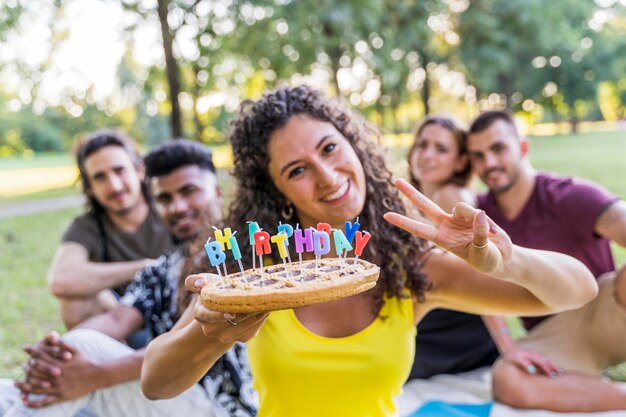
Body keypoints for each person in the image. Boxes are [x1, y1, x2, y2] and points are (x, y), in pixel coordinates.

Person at [140, 86, 597, 417]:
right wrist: (213, 332)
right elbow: (157, 383)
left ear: (355, 147)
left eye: (330, 148)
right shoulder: (257, 274)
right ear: (276, 190)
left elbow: (578, 290)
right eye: (298, 169)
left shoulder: (408, 270)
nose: (327, 175)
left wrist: (508, 258)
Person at [0, 140, 257, 417]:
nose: (177, 207)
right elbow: (116, 319)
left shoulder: (241, 252)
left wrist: (95, 372)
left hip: (218, 403)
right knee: (7, 392)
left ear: (217, 191)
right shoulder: (165, 265)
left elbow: (180, 344)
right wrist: (56, 354)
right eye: (164, 199)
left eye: (189, 191)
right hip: (161, 395)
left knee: (83, 348)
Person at [466, 110, 626, 412]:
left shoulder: (568, 195)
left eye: (498, 149)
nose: (488, 163)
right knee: (508, 379)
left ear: (523, 148)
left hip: (606, 309)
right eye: (478, 156)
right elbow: (476, 283)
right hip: (554, 333)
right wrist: (508, 346)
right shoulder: (480, 215)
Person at [48, 130, 172, 329]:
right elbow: (61, 279)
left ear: (140, 171)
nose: (114, 186)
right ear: (89, 187)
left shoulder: (170, 209)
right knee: (75, 301)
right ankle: (114, 358)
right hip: (125, 326)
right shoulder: (89, 226)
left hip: (182, 324)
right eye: (100, 177)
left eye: (119, 170)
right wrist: (144, 267)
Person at [406, 115, 499, 380]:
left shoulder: (452, 197)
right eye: (422, 144)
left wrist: (509, 346)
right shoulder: (419, 198)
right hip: (431, 319)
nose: (426, 154)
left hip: (457, 333)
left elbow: (487, 272)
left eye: (441, 148)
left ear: (460, 161)